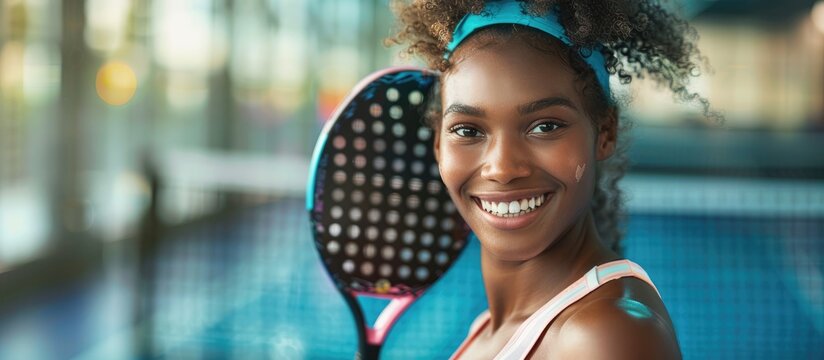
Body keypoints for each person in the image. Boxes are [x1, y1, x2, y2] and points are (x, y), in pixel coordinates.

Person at [389, 0, 712, 358]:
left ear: (604, 132)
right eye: (467, 130)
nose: (502, 168)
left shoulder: (604, 336)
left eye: (545, 126)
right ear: (438, 143)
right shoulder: (488, 330)